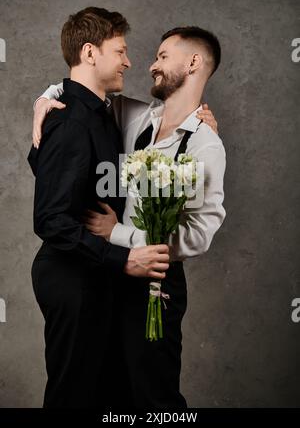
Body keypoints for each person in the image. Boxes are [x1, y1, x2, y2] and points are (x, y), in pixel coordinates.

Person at [32, 26, 226, 409]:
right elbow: (82, 92)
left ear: (193, 62)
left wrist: (119, 233)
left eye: (163, 56)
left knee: (154, 394)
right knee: (111, 392)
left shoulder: (206, 143)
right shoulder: (136, 116)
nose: (151, 65)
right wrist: (45, 98)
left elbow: (200, 234)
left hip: (157, 283)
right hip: (112, 274)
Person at [27, 7, 171, 409]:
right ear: (90, 52)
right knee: (73, 397)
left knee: (106, 396)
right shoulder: (71, 121)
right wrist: (121, 259)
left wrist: (201, 118)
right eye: (120, 51)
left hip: (96, 276)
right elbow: (50, 219)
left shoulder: (102, 112)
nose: (128, 61)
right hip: (74, 278)